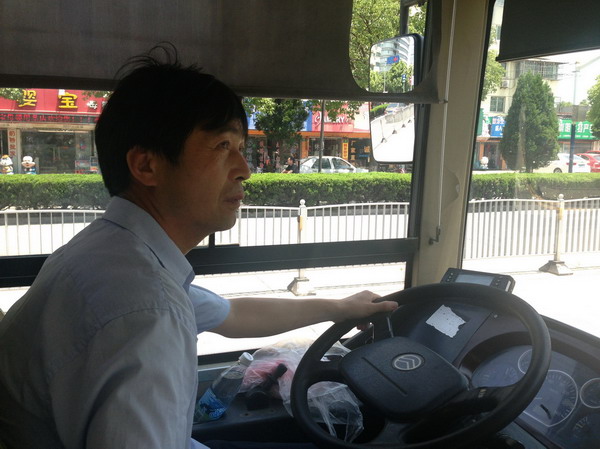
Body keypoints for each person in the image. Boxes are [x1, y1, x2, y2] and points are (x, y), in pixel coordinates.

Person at [0, 45, 397, 449]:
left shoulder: (109, 251)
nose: (245, 169)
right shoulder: (147, 312)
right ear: (147, 166)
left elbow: (233, 315)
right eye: (223, 147)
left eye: (241, 148)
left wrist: (342, 308)